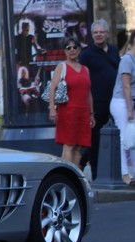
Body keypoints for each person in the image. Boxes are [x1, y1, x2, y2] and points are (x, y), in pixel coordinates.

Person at [79, 19, 120, 179]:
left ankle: (84, 161)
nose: (98, 35)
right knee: (95, 139)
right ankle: (96, 175)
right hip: (96, 102)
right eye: (95, 32)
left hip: (115, 101)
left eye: (101, 32)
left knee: (117, 136)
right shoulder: (87, 54)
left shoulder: (114, 50)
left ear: (107, 34)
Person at [49, 36, 94, 166]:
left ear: (80, 49)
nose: (72, 50)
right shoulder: (62, 67)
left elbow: (88, 93)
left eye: (75, 47)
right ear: (64, 50)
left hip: (83, 112)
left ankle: (75, 177)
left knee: (79, 146)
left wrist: (91, 114)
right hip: (67, 111)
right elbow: (52, 89)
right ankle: (66, 177)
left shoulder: (85, 69)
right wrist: (52, 109)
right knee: (68, 145)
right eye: (68, 47)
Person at [109, 30, 135, 186]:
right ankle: (124, 173)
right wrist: (130, 110)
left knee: (132, 139)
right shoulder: (127, 60)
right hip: (121, 103)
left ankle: (132, 172)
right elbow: (126, 86)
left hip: (131, 102)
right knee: (124, 139)